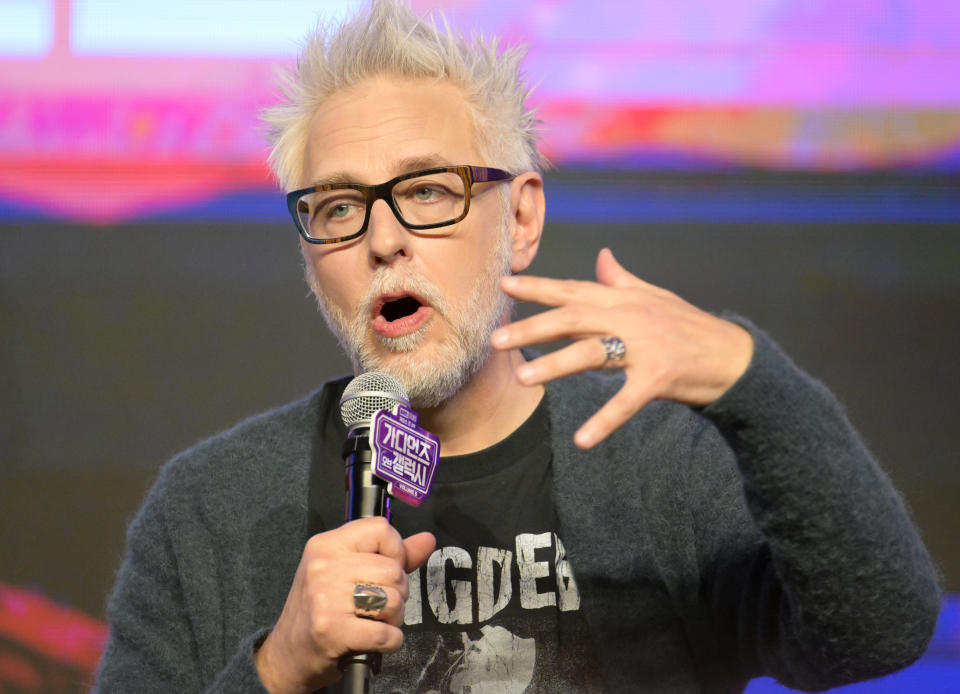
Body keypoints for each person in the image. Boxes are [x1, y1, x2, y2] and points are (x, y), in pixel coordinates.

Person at [93, 1, 940, 692]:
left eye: (427, 191)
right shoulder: (209, 510)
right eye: (339, 207)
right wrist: (275, 671)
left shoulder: (660, 465)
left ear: (522, 219)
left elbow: (878, 630)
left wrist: (746, 378)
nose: (383, 239)